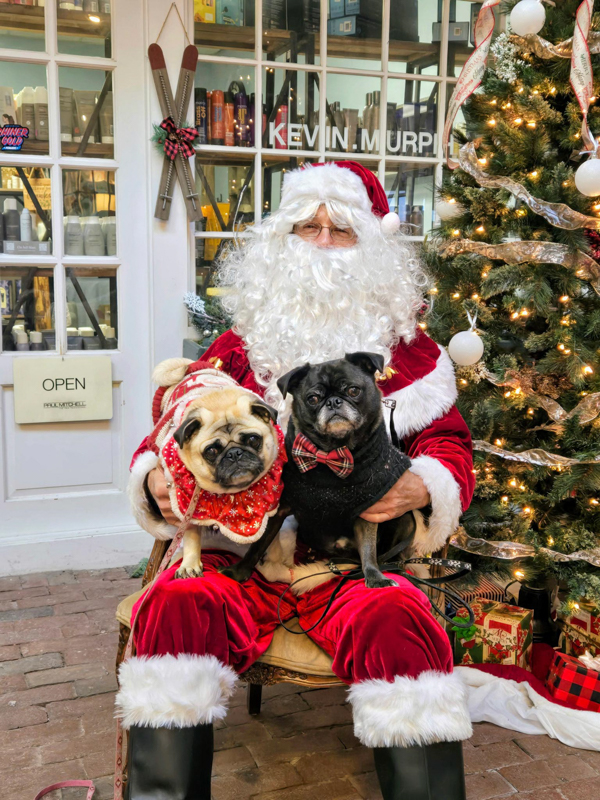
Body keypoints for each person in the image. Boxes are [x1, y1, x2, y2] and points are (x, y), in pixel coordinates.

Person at [118, 162, 475, 800]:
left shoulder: (411, 352)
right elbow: (168, 424)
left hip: (349, 561)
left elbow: (448, 442)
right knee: (173, 605)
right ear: (280, 242)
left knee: (399, 617)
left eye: (340, 231)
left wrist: (426, 484)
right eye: (306, 228)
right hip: (237, 553)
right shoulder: (235, 346)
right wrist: (155, 483)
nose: (321, 244)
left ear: (372, 246)